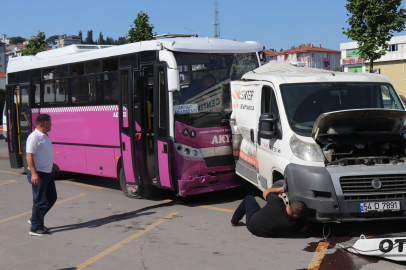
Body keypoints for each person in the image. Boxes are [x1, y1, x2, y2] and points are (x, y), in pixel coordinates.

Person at [231, 183, 310, 237]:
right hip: (264, 234)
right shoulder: (292, 224)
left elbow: (265, 192)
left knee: (249, 198)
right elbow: (305, 229)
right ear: (295, 215)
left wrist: (281, 189)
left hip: (252, 224)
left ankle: (234, 220)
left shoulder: (276, 202)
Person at [26, 114, 59, 236]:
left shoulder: (45, 135)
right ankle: (35, 228)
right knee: (39, 201)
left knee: (52, 197)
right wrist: (34, 174)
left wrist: (52, 164)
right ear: (45, 123)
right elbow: (29, 156)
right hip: (39, 174)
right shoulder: (34, 137)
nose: (51, 124)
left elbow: (43, 154)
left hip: (47, 172)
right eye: (50, 122)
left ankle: (35, 219)